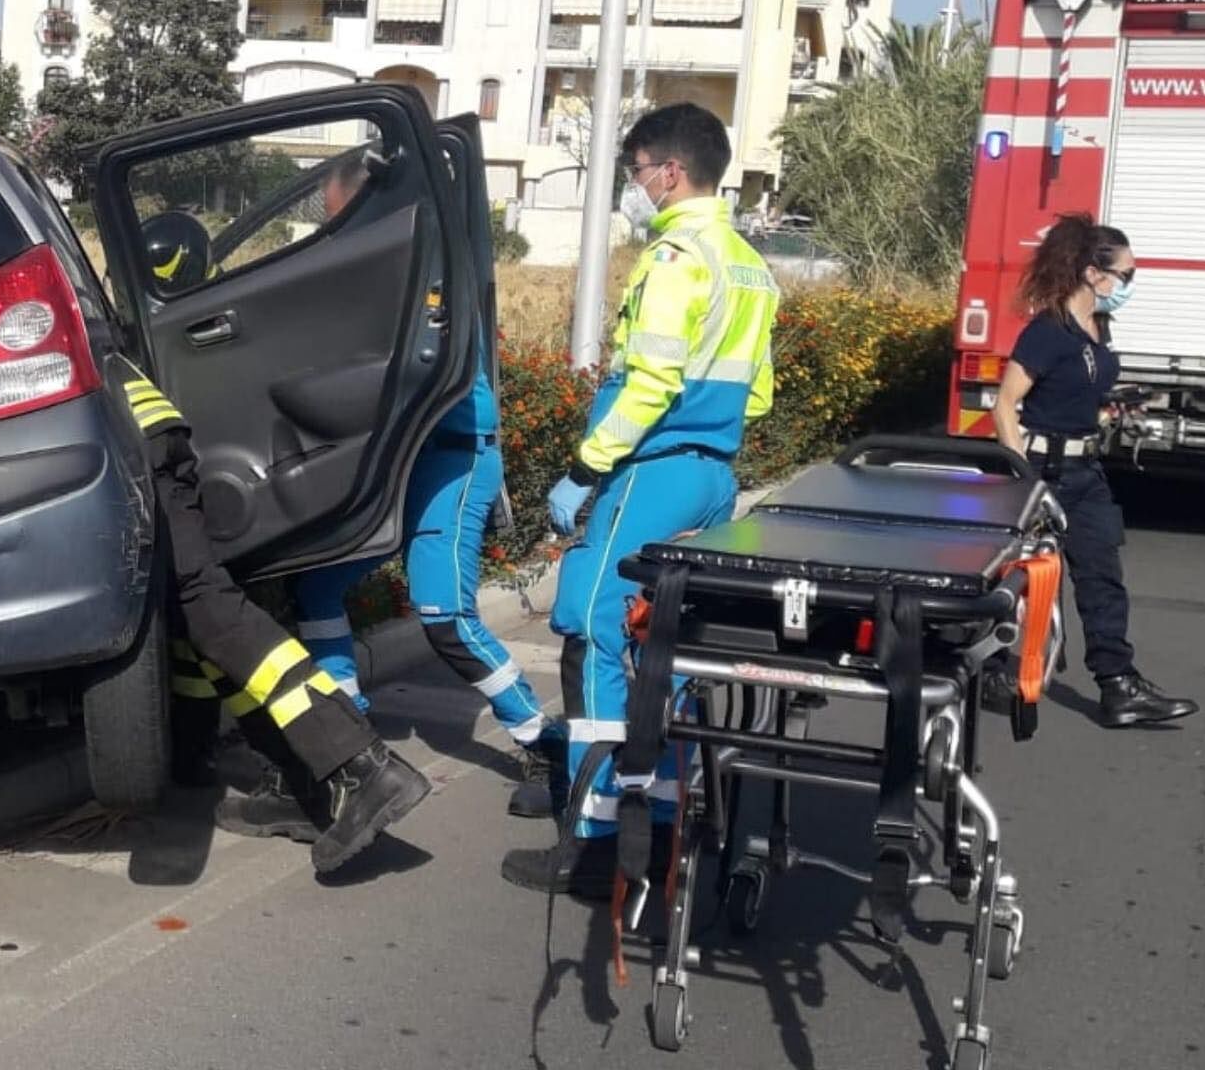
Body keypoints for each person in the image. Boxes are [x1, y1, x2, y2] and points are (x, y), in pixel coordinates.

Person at [226, 151, 568, 835]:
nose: (328, 231)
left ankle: (544, 746)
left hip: (450, 456)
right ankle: (348, 749)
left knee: (445, 615)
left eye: (334, 216)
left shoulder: (420, 269)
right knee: (319, 589)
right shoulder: (365, 273)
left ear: (365, 209)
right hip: (394, 459)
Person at [500, 103, 779, 896]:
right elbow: (756, 394)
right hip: (712, 472)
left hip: (651, 471)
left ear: (669, 170)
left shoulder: (677, 258)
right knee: (666, 644)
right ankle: (665, 822)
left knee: (594, 631)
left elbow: (649, 382)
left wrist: (588, 469)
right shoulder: (748, 262)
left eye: (636, 170)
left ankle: (595, 841)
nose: (634, 187)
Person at [120, 362, 433, 872]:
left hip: (126, 439)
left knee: (206, 603)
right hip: (149, 426)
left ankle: (359, 766)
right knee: (192, 612)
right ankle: (299, 778)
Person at [990, 214, 1198, 728]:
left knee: (1102, 577)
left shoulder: (1096, 327)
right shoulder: (1048, 330)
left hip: (1087, 474)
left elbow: (1076, 387)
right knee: (1022, 580)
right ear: (1091, 273)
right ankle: (995, 670)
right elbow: (1004, 406)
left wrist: (1111, 406)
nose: (1129, 285)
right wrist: (1025, 481)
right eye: (1124, 275)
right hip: (1044, 471)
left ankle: (1119, 687)